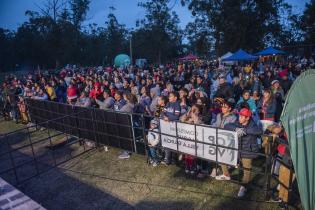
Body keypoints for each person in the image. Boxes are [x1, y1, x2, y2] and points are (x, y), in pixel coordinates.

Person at [224, 108, 263, 197]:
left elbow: (259, 131)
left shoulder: (253, 125)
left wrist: (244, 130)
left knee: (247, 170)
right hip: (237, 149)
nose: (239, 117)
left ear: (247, 118)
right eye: (239, 115)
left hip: (248, 151)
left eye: (242, 116)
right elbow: (227, 125)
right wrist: (237, 128)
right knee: (223, 158)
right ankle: (226, 175)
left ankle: (244, 187)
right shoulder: (238, 122)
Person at [212, 98, 237, 179]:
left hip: (226, 139)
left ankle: (225, 172)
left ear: (230, 108)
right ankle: (217, 168)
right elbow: (216, 124)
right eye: (222, 107)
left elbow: (232, 128)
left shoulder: (233, 117)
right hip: (217, 136)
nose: (222, 108)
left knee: (222, 154)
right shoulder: (219, 115)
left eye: (225, 107)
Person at [161, 91, 181, 165]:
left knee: (173, 143)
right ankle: (167, 159)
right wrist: (164, 117)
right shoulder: (168, 104)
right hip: (166, 126)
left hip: (173, 127)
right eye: (169, 96)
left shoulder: (177, 105)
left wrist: (168, 118)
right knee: (167, 142)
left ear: (175, 98)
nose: (169, 97)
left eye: (170, 96)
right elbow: (162, 112)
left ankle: (173, 159)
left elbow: (176, 116)